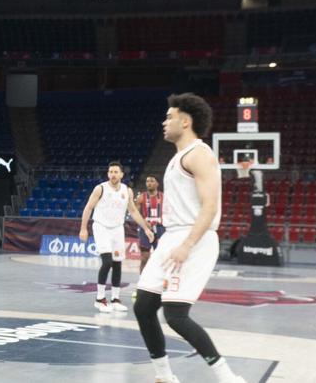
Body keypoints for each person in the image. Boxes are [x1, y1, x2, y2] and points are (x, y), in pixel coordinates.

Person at [135, 94, 245, 383]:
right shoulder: (178, 157)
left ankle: (227, 377)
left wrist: (187, 244)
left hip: (195, 238)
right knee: (144, 307)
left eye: (169, 116)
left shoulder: (199, 154)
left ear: (185, 121)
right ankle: (164, 376)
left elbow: (209, 206)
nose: (164, 121)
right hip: (173, 236)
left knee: (175, 315)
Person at [80, 162, 155, 313]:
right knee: (107, 261)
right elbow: (88, 207)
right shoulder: (100, 189)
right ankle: (100, 299)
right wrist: (83, 228)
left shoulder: (127, 191)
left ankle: (115, 299)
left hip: (117, 229)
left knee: (117, 264)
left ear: (121, 174)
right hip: (101, 227)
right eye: (110, 172)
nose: (113, 174)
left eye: (116, 172)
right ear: (108, 174)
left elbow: (133, 211)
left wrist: (146, 228)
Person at [134, 176, 165, 272]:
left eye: (152, 181)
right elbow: (135, 214)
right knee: (144, 258)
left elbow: (170, 212)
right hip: (145, 229)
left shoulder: (164, 197)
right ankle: (141, 282)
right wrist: (144, 222)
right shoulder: (141, 197)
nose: (149, 183)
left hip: (160, 229)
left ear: (157, 184)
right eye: (147, 181)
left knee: (160, 257)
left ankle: (159, 281)